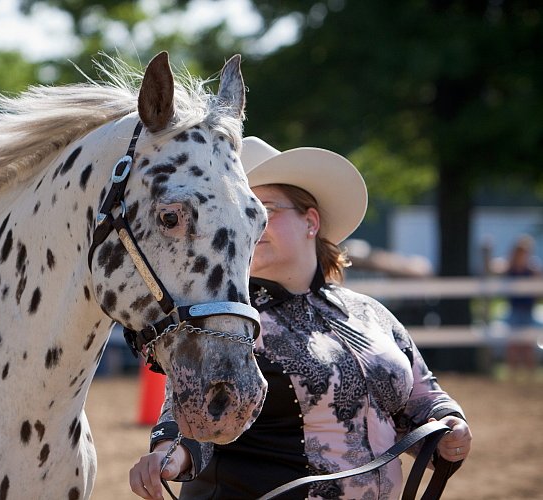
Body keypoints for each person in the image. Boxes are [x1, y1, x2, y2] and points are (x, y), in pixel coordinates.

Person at [129, 137, 472, 500]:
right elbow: (191, 413)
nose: (252, 225)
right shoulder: (229, 322)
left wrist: (449, 427)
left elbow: (421, 400)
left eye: (264, 210)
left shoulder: (370, 313)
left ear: (310, 220)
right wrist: (168, 455)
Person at [503, 234, 541, 378]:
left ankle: (530, 377)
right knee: (512, 346)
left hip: (527, 312)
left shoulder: (532, 270)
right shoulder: (510, 268)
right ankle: (513, 376)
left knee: (528, 347)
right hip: (514, 311)